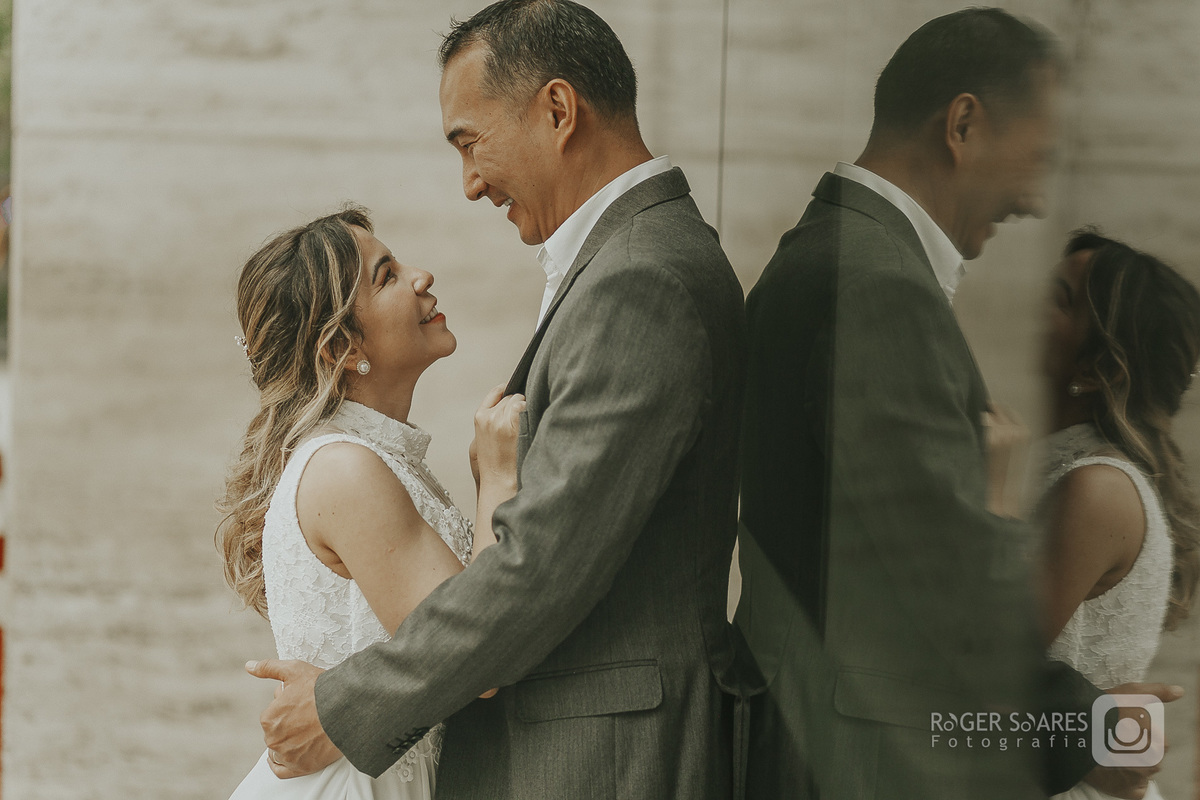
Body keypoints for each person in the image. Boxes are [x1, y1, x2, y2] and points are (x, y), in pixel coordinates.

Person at [245, 2, 748, 798]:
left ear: (557, 110)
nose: (471, 182)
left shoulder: (640, 278)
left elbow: (536, 571)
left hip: (609, 762)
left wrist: (342, 707)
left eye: (469, 143)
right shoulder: (630, 262)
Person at [735, 9, 1180, 799]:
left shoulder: (834, 254)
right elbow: (940, 609)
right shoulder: (878, 287)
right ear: (964, 124)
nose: (1037, 199)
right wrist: (1105, 729)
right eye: (1036, 155)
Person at [219, 206, 524, 799]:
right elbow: (474, 655)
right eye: (386, 275)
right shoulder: (343, 469)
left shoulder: (368, 459)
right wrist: (498, 482)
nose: (421, 276)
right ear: (339, 345)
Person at [1038, 231, 1200, 800]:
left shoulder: (1095, 490)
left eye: (1057, 297)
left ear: (1101, 364)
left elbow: (973, 669)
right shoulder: (1063, 469)